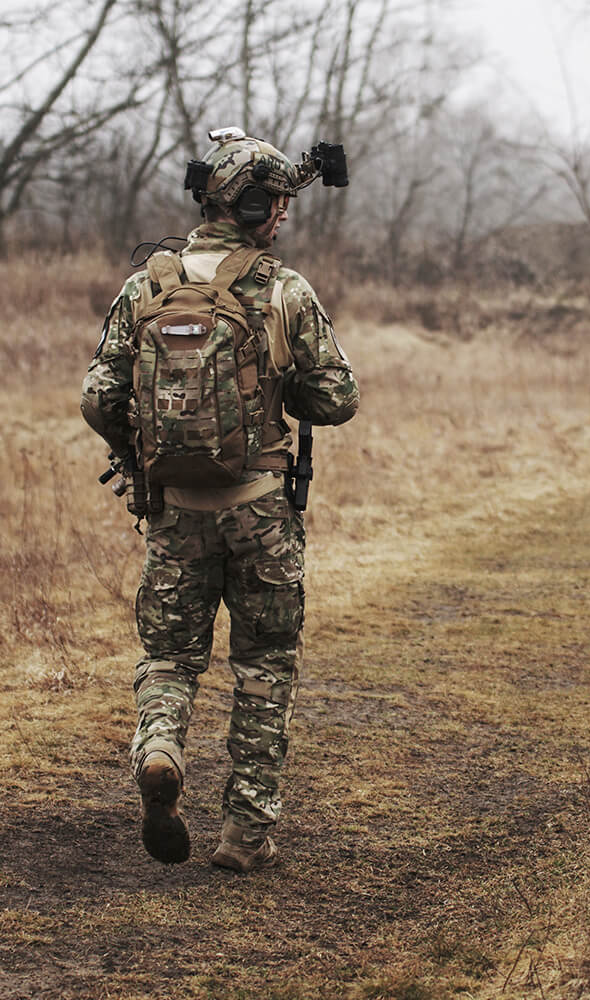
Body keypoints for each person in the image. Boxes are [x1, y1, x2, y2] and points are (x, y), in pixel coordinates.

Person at [80, 128, 359, 872]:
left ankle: (162, 746)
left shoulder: (148, 285)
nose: (286, 218)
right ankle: (245, 835)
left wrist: (137, 459)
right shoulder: (282, 289)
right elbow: (337, 399)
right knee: (265, 665)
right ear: (257, 205)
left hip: (174, 512)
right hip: (262, 509)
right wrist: (282, 386)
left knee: (170, 655)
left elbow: (98, 393)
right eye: (280, 205)